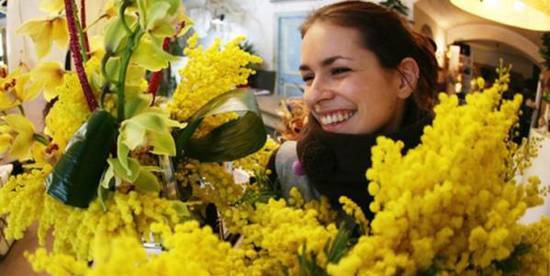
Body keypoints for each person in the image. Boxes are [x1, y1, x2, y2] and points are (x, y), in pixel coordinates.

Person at [267, 1, 438, 221]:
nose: (313, 95)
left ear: (403, 79)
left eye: (339, 70)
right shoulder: (286, 168)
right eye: (308, 77)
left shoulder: (457, 179)